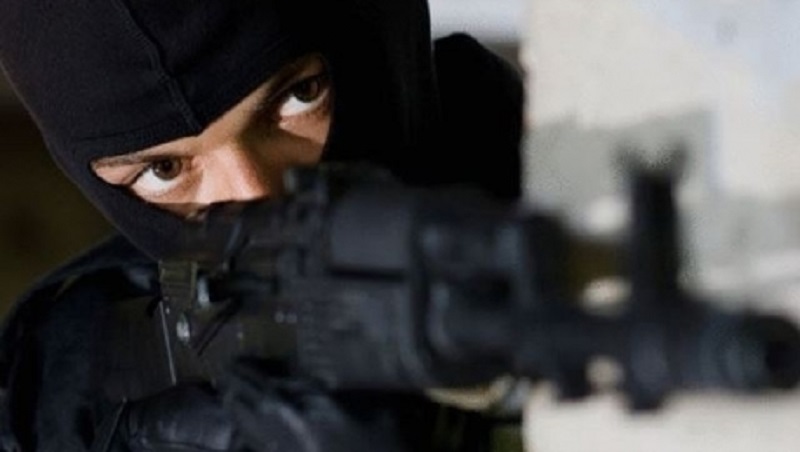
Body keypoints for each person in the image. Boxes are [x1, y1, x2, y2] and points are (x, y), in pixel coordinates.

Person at [0, 0, 524, 450]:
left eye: (298, 95)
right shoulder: (65, 379)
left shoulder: (549, 191)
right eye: (164, 170)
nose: (255, 199)